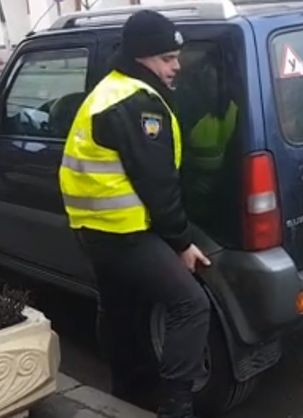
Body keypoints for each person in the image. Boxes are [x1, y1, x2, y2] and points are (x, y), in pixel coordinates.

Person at [59, 10, 211, 418]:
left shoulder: (111, 89)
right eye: (167, 58)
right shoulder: (138, 104)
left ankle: (127, 392)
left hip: (94, 229)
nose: (176, 66)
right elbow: (158, 185)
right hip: (123, 232)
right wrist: (181, 242)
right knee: (190, 304)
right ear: (142, 57)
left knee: (119, 308)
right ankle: (176, 407)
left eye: (176, 56)